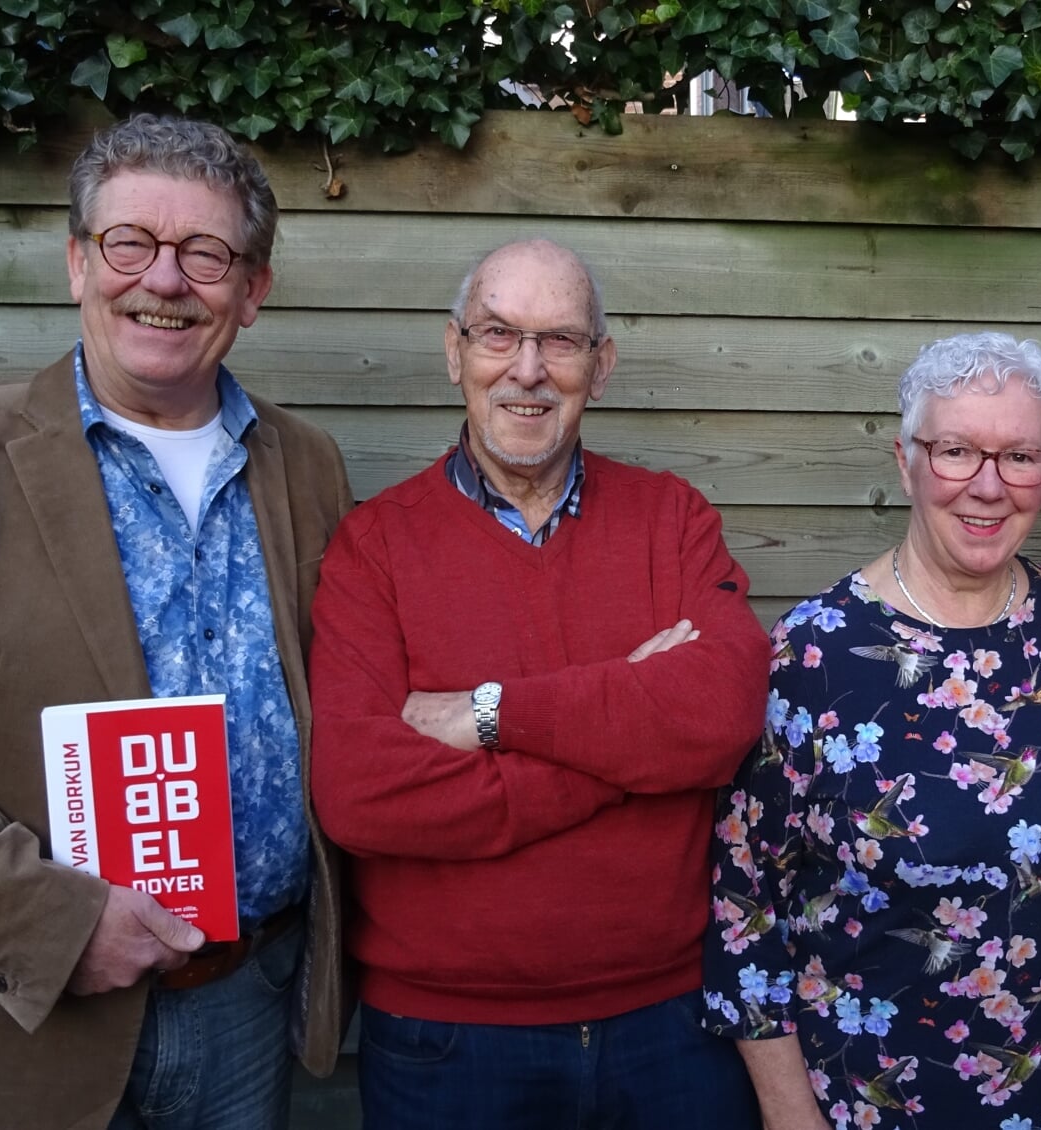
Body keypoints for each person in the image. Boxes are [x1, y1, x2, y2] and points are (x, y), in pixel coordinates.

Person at [0, 114, 354, 1130]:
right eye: (130, 241)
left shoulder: (306, 467)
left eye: (205, 254)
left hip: (244, 1006)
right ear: (78, 262)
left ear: (253, 289)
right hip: (17, 1019)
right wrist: (52, 922)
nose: (163, 280)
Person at [307, 238, 767, 1128]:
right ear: (454, 353)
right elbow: (361, 794)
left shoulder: (671, 518)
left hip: (671, 1025)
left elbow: (724, 713)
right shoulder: (375, 546)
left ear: (602, 364)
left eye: (559, 340)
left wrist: (491, 715)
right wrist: (627, 741)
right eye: (497, 335)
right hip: (447, 1040)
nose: (527, 370)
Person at [704, 332, 1041, 1130]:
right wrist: (789, 1114)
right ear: (905, 461)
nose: (987, 485)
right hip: (880, 1102)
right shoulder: (819, 649)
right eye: (955, 452)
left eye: (1020, 457)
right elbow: (746, 900)